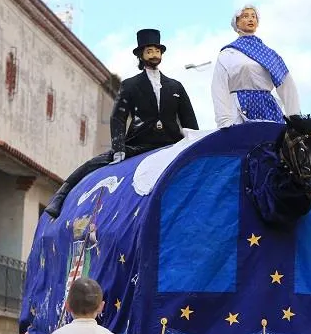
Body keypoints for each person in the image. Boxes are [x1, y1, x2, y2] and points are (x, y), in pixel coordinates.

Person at [44, 28, 199, 218]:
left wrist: (193, 146)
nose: (154, 55)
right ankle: (60, 196)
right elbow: (118, 117)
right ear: (141, 55)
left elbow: (189, 120)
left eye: (157, 51)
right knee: (93, 164)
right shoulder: (130, 85)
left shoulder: (175, 86)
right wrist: (119, 148)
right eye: (149, 51)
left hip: (170, 143)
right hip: (139, 144)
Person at [211, 5, 301, 128]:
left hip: (268, 109)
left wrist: (294, 118)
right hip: (239, 110)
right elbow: (219, 87)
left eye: (253, 16)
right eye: (245, 16)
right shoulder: (229, 53)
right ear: (237, 23)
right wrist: (224, 121)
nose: (250, 19)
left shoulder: (269, 54)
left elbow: (287, 85)